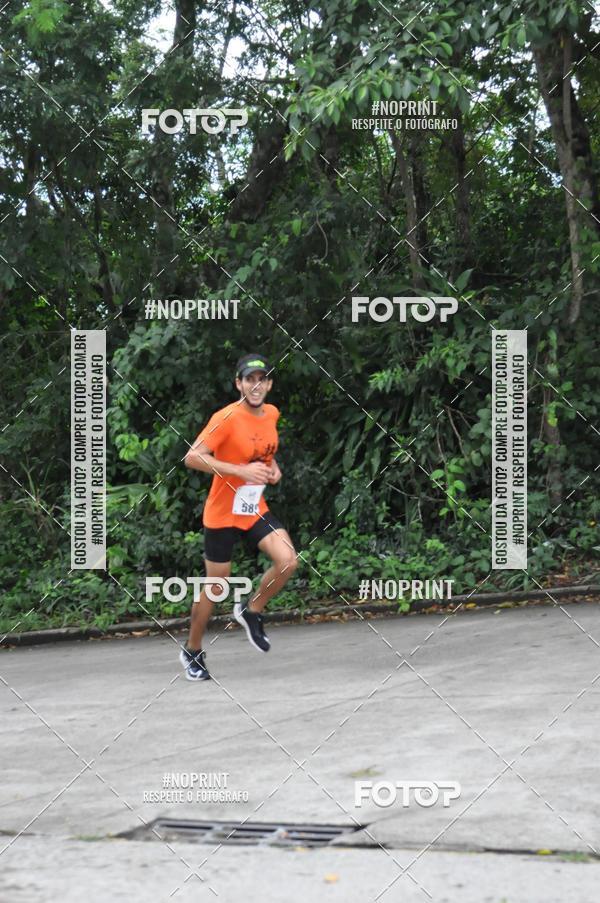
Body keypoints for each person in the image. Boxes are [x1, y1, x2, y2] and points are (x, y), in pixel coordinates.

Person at [180, 353, 298, 680]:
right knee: (216, 587)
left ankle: (252, 609)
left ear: (269, 384)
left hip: (252, 508)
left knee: (288, 560)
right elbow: (192, 457)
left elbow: (266, 455)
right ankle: (192, 649)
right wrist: (239, 470)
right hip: (222, 514)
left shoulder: (272, 413)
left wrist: (274, 471)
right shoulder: (227, 417)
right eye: (250, 379)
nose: (256, 385)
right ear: (239, 383)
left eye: (262, 379)